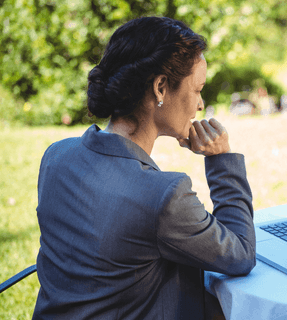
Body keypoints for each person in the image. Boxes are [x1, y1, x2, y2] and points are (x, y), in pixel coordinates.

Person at [33, 16, 256, 320]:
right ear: (161, 87)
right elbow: (240, 254)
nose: (200, 105)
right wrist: (221, 159)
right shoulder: (163, 196)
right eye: (197, 89)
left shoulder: (56, 157)